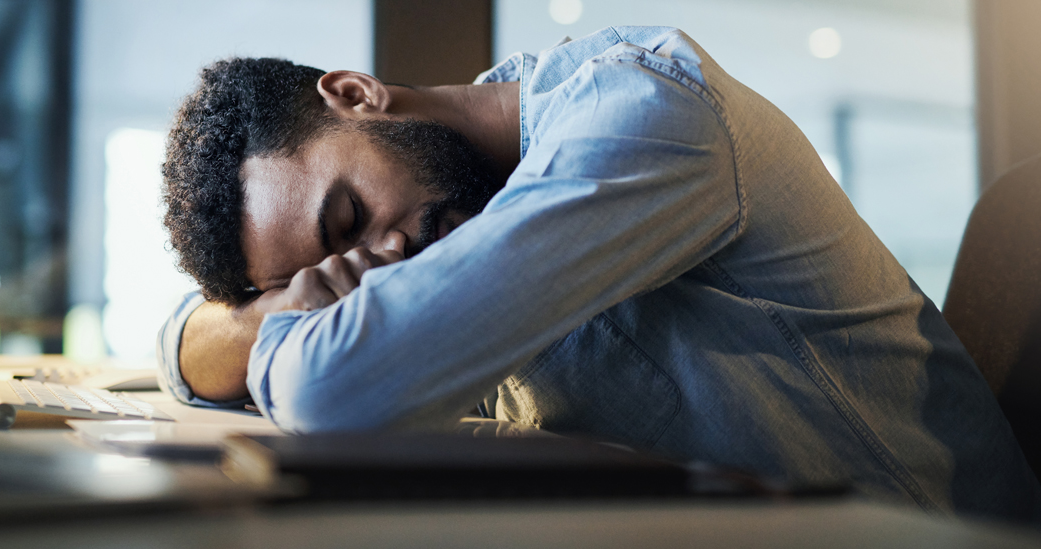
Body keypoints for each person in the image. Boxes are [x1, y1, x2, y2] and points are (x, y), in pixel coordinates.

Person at [155, 26, 1040, 520]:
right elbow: (179, 349)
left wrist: (288, 327)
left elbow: (334, 392)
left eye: (347, 219)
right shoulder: (460, 205)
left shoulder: (643, 115)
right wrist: (276, 315)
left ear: (355, 96)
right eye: (330, 274)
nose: (374, 267)